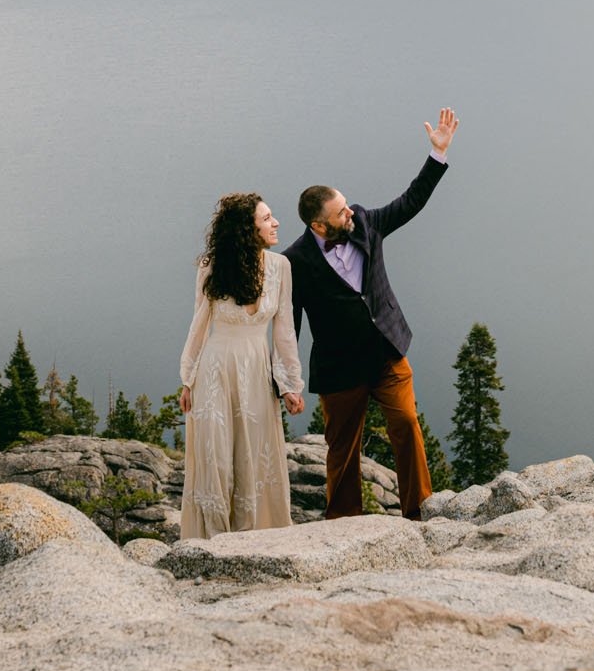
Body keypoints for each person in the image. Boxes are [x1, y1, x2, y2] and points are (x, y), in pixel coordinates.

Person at [287, 107, 457, 519]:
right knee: (342, 451)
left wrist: (437, 154)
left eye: (346, 206)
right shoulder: (295, 262)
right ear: (319, 225)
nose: (350, 212)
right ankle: (344, 524)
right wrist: (286, 381)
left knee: (406, 426)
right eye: (340, 212)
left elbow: (410, 202)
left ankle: (420, 512)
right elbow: (287, 326)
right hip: (340, 370)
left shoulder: (365, 222)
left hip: (387, 352)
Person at [178, 192, 305, 539]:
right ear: (245, 229)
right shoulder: (212, 265)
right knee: (217, 456)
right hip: (215, 371)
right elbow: (199, 323)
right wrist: (188, 379)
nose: (275, 223)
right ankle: (214, 540)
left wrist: (291, 384)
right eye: (266, 219)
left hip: (257, 372)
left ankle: (257, 536)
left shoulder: (281, 267)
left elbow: (284, 330)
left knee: (255, 452)